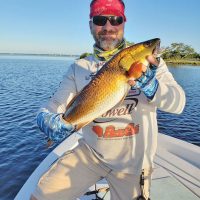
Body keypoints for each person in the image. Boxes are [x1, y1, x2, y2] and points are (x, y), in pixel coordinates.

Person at [31, 0, 186, 199]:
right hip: (90, 154)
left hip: (133, 163)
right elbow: (53, 105)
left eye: (115, 19)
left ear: (123, 23)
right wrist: (43, 117)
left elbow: (179, 104)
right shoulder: (78, 67)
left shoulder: (153, 64)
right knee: (41, 195)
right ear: (90, 25)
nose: (108, 27)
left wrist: (153, 87)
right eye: (100, 19)